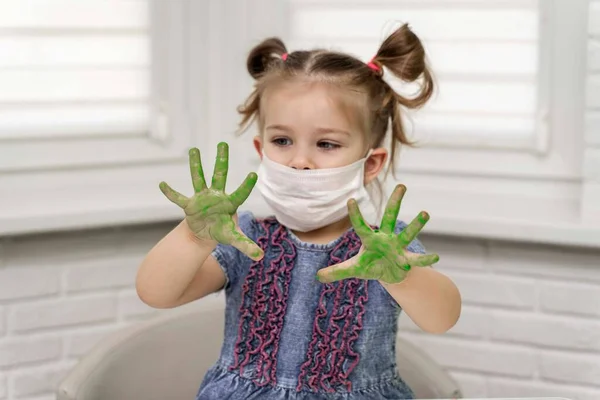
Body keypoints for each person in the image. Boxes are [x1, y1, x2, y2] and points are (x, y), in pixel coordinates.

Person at [136, 23, 461, 400]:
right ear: (261, 150)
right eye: (282, 141)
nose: (300, 160)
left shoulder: (385, 248)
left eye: (326, 143)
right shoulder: (244, 238)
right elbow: (156, 293)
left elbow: (442, 318)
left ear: (370, 164)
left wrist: (401, 276)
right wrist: (193, 237)